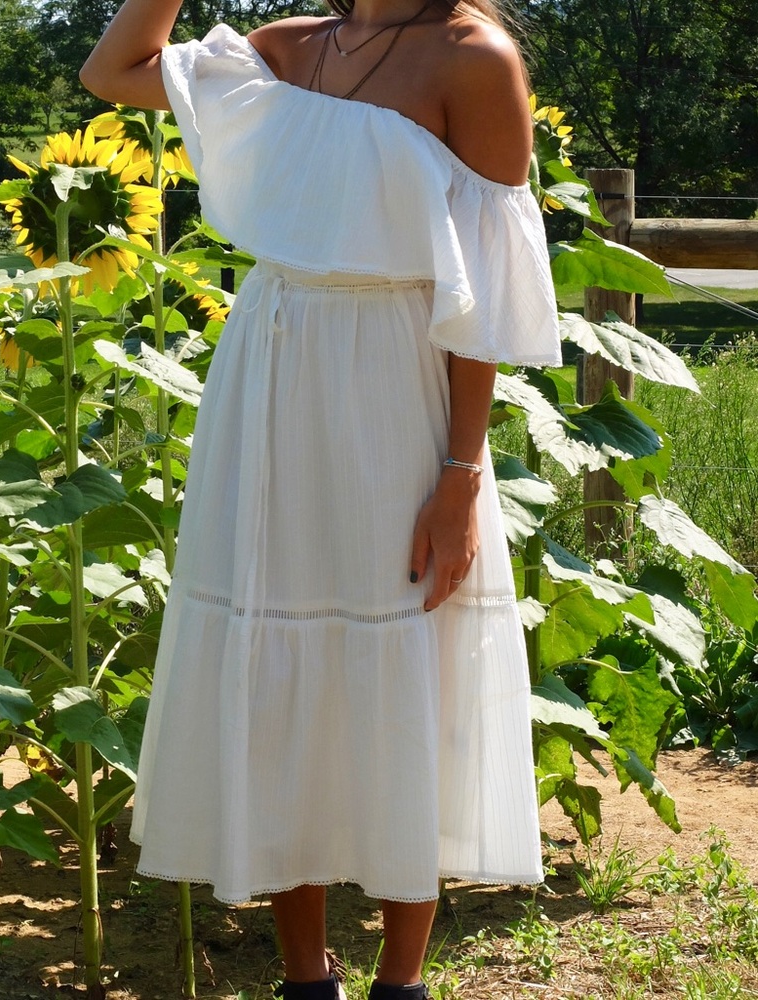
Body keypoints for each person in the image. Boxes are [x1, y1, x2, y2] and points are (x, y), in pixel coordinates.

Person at [81, 2, 561, 997]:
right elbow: (113, 70)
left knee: (405, 653)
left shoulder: (475, 60)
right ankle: (306, 976)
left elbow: (489, 289)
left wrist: (461, 475)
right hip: (271, 372)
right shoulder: (290, 46)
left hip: (397, 381)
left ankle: (402, 981)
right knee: (271, 652)